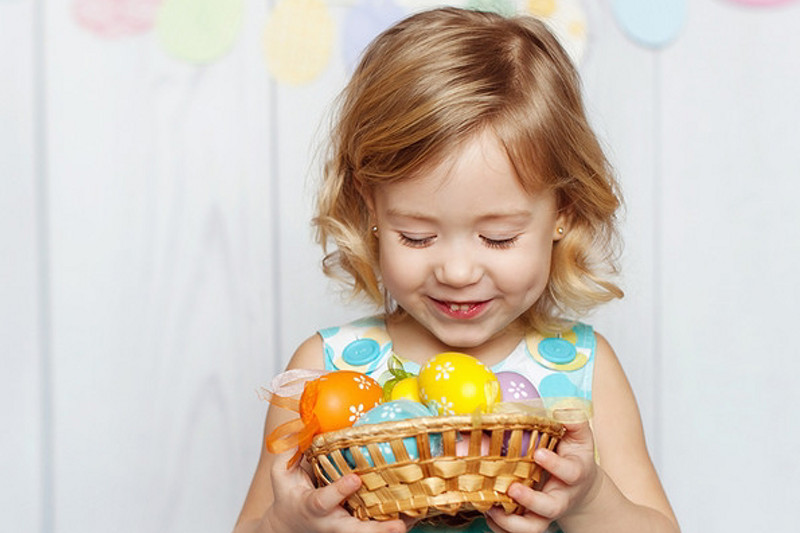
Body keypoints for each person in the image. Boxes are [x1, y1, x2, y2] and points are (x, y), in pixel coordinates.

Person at [234, 7, 679, 533]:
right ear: (371, 210)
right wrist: (289, 525)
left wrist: (589, 499)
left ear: (564, 213)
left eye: (498, 237)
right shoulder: (327, 370)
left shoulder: (583, 370)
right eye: (417, 236)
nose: (458, 270)